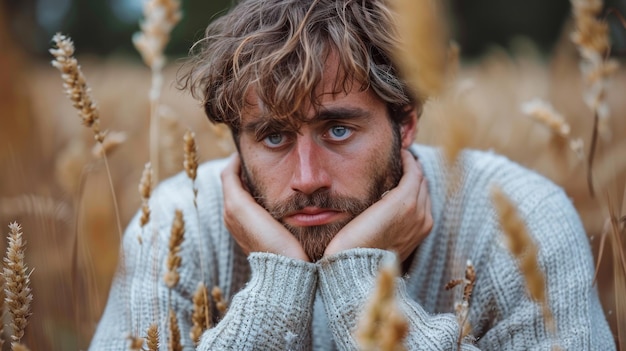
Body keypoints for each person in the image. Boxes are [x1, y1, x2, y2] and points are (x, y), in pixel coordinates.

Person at [89, 0, 615, 349]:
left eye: (338, 129)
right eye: (273, 136)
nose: (307, 177)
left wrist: (362, 286)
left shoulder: (520, 222)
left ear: (405, 122)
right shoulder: (173, 227)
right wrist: (274, 297)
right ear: (236, 142)